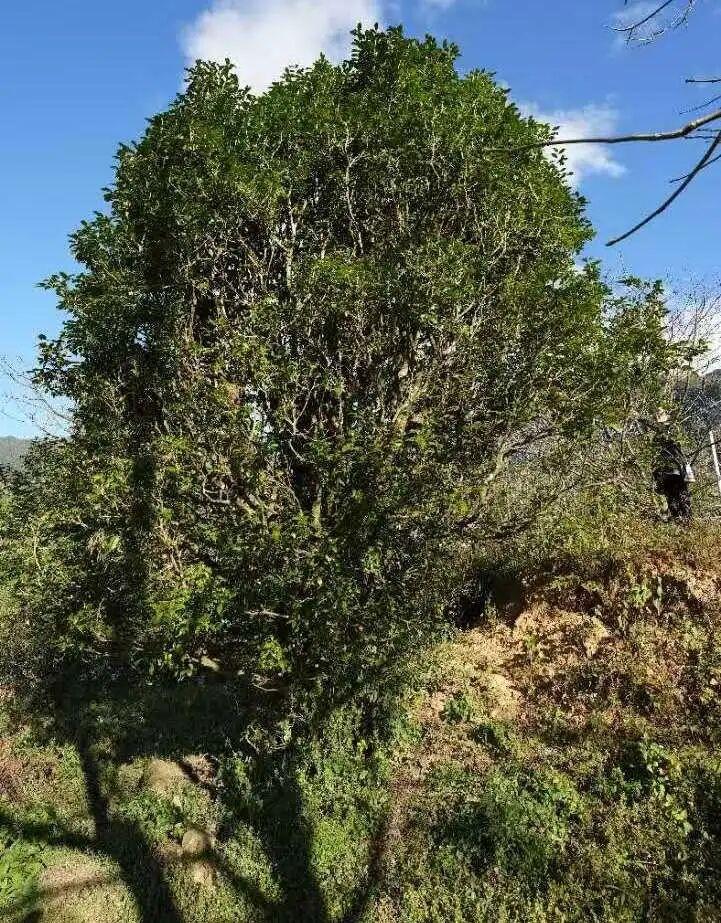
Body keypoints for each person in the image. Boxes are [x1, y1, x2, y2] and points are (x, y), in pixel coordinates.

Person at [651, 411, 694, 523]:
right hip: (671, 473)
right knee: (678, 499)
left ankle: (684, 523)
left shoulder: (665, 434)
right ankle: (684, 524)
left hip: (674, 472)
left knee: (679, 499)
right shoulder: (671, 432)